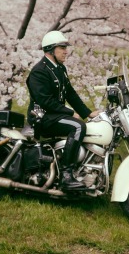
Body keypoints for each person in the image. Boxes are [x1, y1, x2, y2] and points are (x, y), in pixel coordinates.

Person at [26, 31, 100, 190]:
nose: (66, 51)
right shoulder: (39, 71)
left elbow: (70, 93)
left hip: (53, 114)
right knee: (78, 126)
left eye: (65, 47)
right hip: (42, 117)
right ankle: (67, 174)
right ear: (50, 50)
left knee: (83, 123)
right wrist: (70, 113)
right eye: (62, 47)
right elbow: (44, 100)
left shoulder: (60, 68)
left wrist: (88, 113)